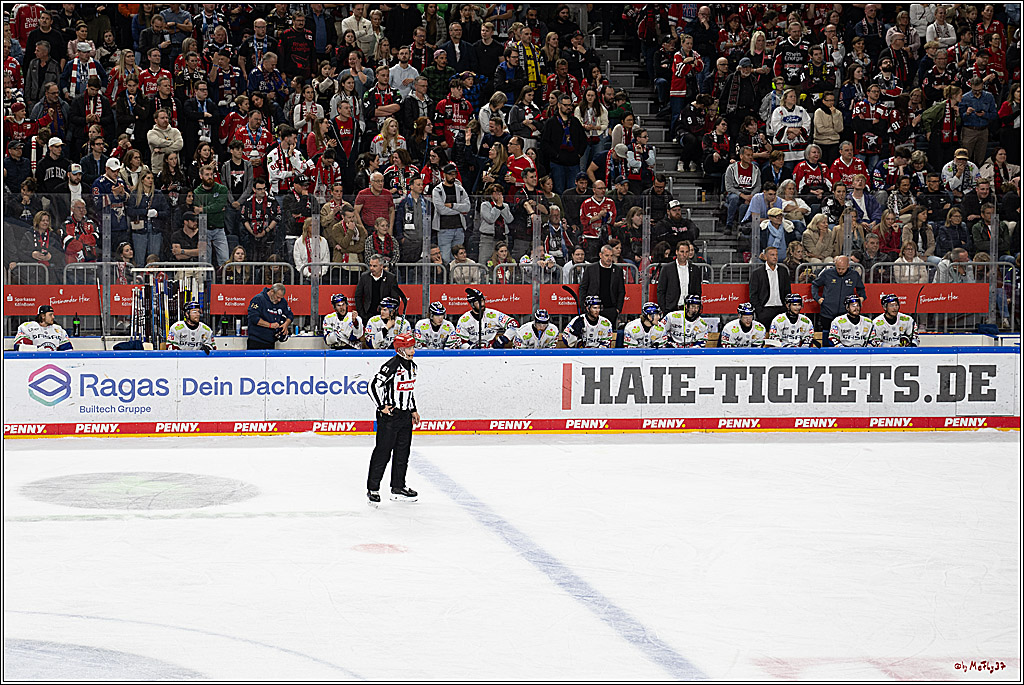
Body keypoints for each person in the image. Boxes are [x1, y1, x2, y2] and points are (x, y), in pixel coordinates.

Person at [366, 331, 420, 506]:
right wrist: (381, 406)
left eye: (413, 347)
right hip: (390, 416)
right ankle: (373, 488)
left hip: (405, 417)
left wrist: (413, 410)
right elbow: (373, 385)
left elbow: (408, 391)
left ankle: (398, 487)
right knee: (383, 452)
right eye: (409, 348)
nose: (412, 351)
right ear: (400, 349)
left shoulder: (413, 367)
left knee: (403, 453)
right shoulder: (391, 366)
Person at [811, 255, 867, 334]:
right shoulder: (827, 273)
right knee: (826, 335)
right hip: (828, 311)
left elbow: (861, 288)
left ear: (848, 265)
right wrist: (817, 298)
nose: (840, 271)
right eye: (838, 268)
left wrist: (862, 297)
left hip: (845, 313)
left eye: (843, 269)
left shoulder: (854, 275)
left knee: (845, 335)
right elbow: (815, 285)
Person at [578, 244, 624, 327]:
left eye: (611, 255)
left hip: (610, 309)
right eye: (606, 255)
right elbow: (583, 288)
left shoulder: (617, 270)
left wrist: (618, 309)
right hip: (593, 308)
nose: (609, 258)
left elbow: (621, 291)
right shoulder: (591, 269)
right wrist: (583, 306)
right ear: (600, 255)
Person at [749, 245, 792, 328]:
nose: (775, 257)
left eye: (776, 255)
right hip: (765, 310)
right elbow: (753, 294)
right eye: (772, 255)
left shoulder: (783, 271)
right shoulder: (757, 273)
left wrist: (786, 307)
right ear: (765, 257)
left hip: (781, 309)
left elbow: (787, 291)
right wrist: (759, 310)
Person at [355, 254, 405, 323]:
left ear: (381, 266)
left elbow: (395, 298)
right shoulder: (364, 277)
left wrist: (389, 314)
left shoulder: (391, 278)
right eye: (370, 265)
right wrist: (362, 314)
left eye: (374, 266)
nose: (371, 268)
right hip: (368, 315)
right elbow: (358, 296)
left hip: (386, 316)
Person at [246, 283, 294, 350]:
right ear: (272, 292)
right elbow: (253, 318)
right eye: (277, 297)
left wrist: (285, 325)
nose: (279, 300)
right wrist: (270, 325)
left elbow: (290, 315)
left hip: (271, 341)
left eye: (281, 298)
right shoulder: (258, 299)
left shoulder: (282, 302)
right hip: (256, 341)